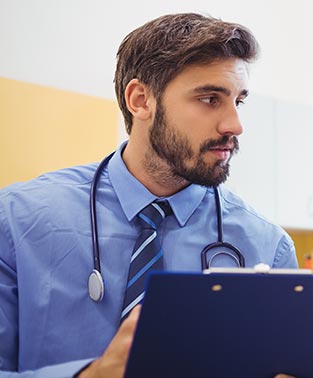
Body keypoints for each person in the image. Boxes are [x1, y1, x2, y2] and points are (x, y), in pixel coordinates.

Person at [0, 13, 297, 377]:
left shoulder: (267, 247)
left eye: (239, 101)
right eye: (209, 99)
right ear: (140, 100)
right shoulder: (17, 221)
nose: (234, 125)